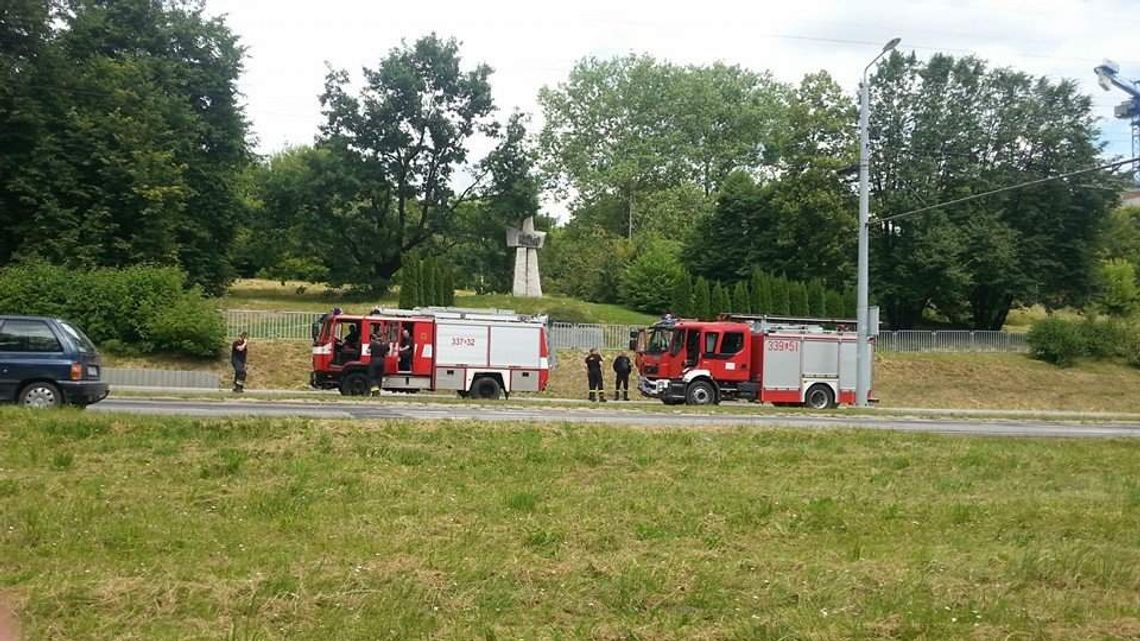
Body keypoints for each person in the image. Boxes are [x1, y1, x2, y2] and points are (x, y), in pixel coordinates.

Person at [368, 326, 389, 397]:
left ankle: (375, 392)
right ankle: (378, 391)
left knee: (373, 377)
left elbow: (368, 351)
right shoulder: (385, 344)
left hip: (374, 361)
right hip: (382, 361)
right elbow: (387, 353)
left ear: (376, 336)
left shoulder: (373, 343)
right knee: (379, 377)